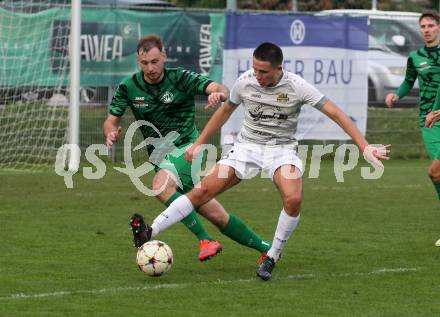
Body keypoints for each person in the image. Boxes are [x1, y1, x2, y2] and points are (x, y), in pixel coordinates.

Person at [131, 42, 390, 280]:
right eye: (255, 69)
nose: (257, 75)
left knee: (294, 198)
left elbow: (337, 113)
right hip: (246, 149)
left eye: (263, 71)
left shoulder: (297, 86)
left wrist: (364, 147)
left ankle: (271, 257)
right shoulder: (245, 82)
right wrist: (199, 144)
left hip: (281, 150)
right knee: (203, 191)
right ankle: (150, 232)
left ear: (279, 69)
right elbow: (224, 112)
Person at [104, 34, 272, 262]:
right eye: (144, 63)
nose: (150, 68)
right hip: (161, 159)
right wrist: (110, 131)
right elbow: (111, 120)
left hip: (188, 148)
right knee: (216, 215)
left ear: (164, 56)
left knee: (160, 186)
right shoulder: (129, 86)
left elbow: (218, 87)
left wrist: (217, 93)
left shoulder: (180, 78)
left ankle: (204, 240)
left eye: (154, 61)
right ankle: (268, 249)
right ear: (138, 60)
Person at [385, 12, 440, 206]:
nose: (426, 30)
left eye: (431, 26)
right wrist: (396, 95)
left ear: (438, 27)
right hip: (430, 122)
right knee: (436, 172)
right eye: (423, 27)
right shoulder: (415, 57)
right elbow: (408, 82)